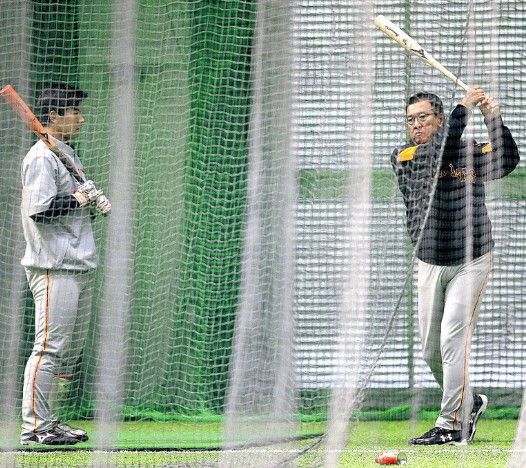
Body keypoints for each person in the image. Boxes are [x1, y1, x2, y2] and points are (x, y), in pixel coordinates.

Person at [391, 86, 519, 445]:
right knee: (431, 350)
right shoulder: (406, 156)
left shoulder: (467, 151)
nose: (416, 125)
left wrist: (494, 120)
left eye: (423, 117)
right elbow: (438, 154)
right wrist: (465, 108)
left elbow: (507, 160)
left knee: (452, 338)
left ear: (439, 119)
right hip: (429, 261)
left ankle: (451, 424)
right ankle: (470, 401)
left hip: (471, 259)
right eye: (410, 120)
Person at [20, 84, 111, 445]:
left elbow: (68, 203)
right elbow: (39, 210)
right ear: (54, 116)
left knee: (66, 352)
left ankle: (49, 421)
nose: (81, 118)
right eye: (74, 111)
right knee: (48, 349)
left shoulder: (64, 152)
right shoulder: (41, 157)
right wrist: (78, 197)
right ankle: (34, 428)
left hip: (76, 263)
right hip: (53, 266)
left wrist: (88, 199)